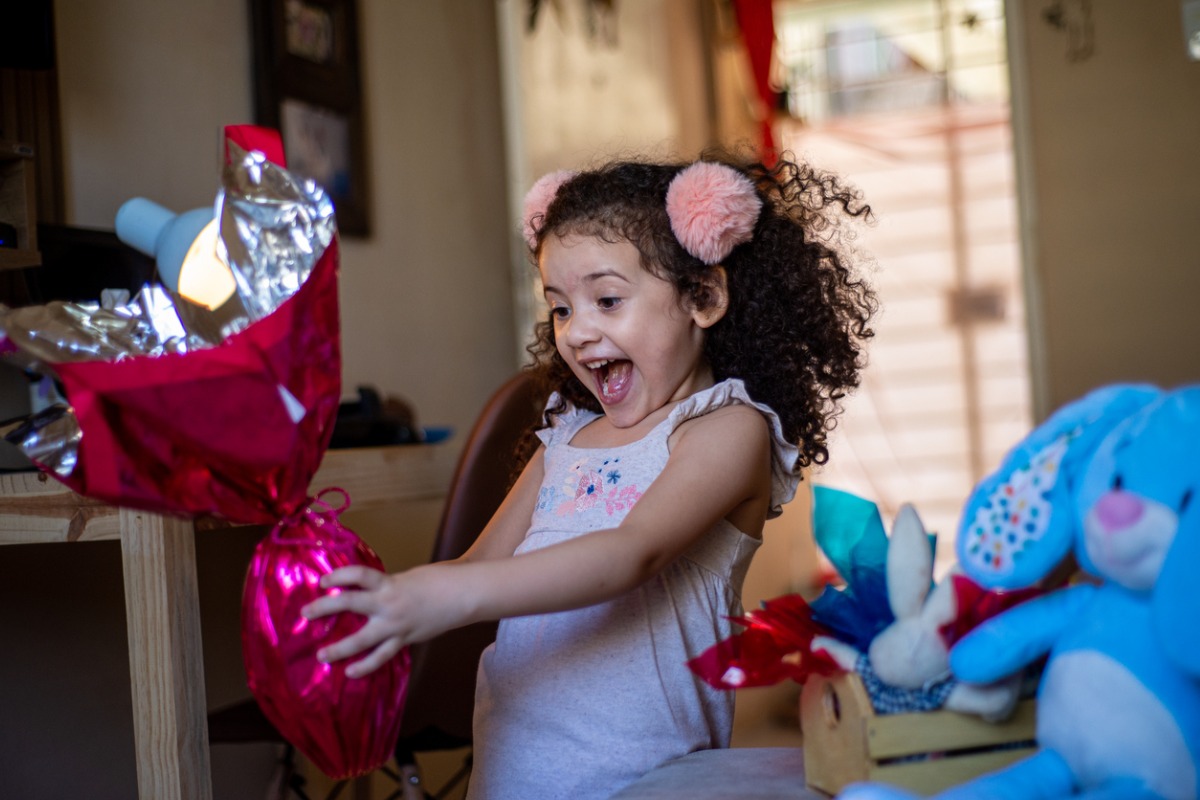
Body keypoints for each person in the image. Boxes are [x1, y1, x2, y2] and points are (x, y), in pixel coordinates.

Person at [302, 151, 877, 799]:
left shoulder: (727, 430)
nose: (577, 332)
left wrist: (438, 597)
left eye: (606, 299)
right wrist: (388, 604)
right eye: (561, 309)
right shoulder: (564, 439)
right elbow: (477, 564)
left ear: (704, 297)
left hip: (646, 780)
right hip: (514, 770)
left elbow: (630, 554)